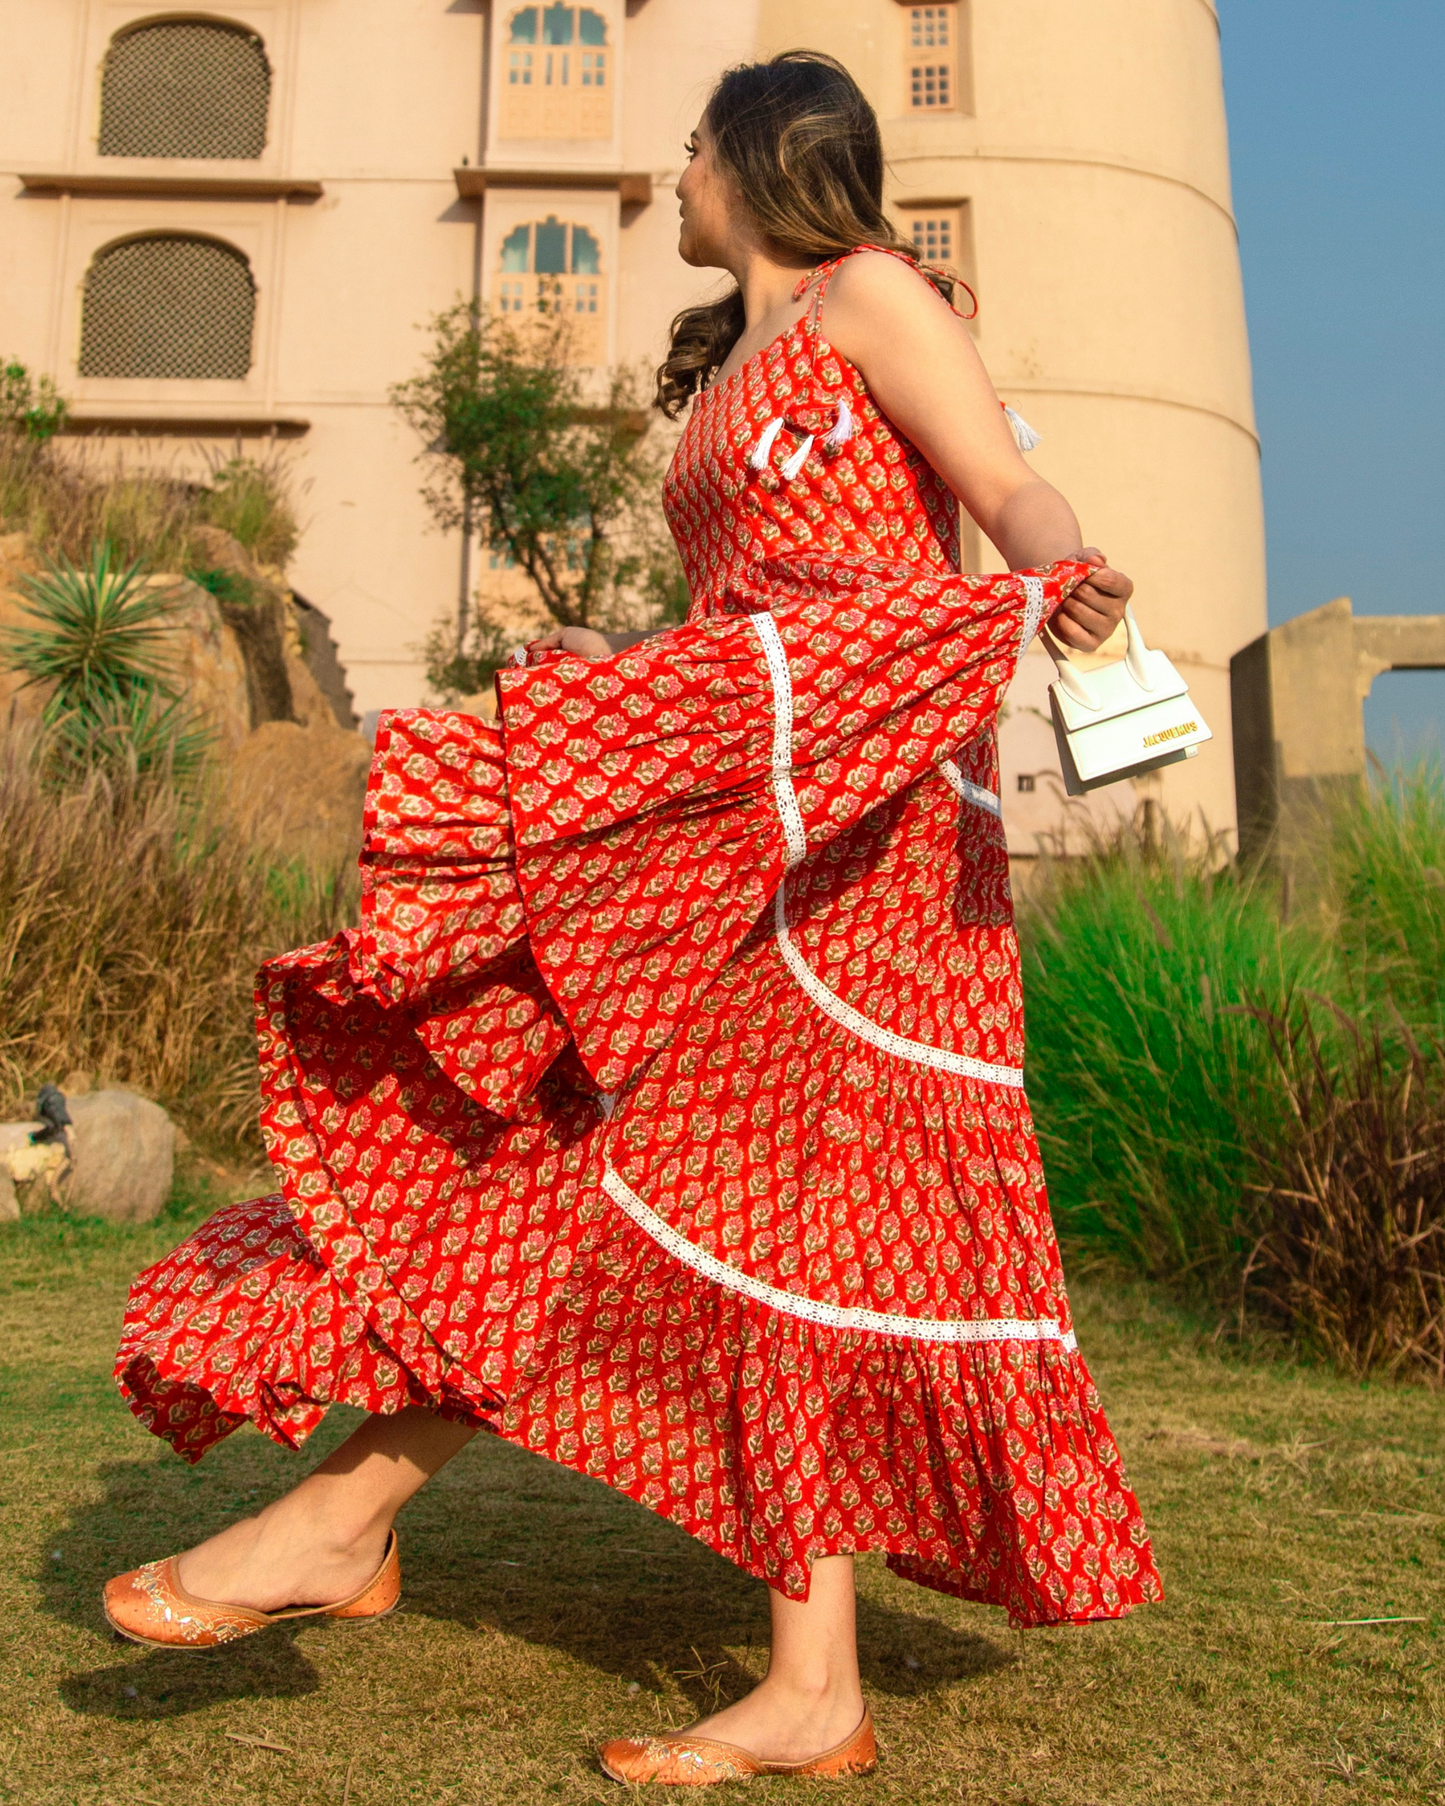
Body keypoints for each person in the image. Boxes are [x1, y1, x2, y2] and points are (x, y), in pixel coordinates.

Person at [104, 50, 1161, 1788]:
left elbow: (1003, 483)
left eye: (689, 148)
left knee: (684, 1173)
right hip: (751, 799)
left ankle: (342, 1522)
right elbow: (738, 597)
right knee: (712, 1193)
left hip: (867, 820)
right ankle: (788, 1675)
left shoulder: (873, 291)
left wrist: (1071, 569)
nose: (672, 175)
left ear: (756, 161)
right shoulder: (730, 355)